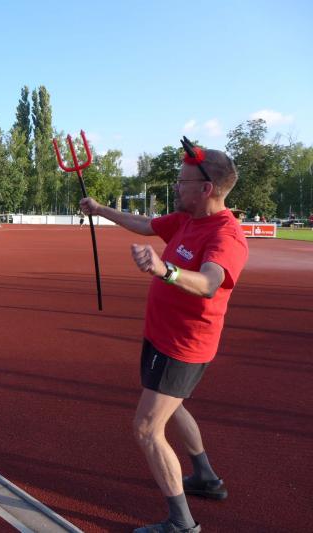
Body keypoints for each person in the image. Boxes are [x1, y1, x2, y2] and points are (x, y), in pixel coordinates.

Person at [80, 142, 248, 533]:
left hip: (183, 346)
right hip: (162, 337)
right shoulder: (187, 218)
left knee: (146, 428)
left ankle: (182, 523)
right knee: (175, 406)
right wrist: (100, 209)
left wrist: (165, 270)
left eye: (182, 181)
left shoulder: (226, 235)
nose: (176, 186)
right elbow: (145, 225)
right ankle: (205, 477)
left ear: (206, 189)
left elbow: (209, 283)